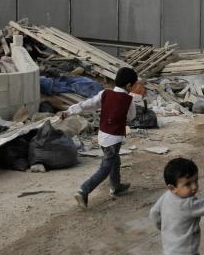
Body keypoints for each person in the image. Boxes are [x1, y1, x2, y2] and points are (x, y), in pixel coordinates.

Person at [60, 67, 143, 209]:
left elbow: (87, 105)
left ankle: (116, 186)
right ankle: (83, 190)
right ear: (129, 85)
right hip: (114, 139)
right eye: (134, 85)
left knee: (115, 161)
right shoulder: (128, 100)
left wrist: (69, 111)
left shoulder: (105, 93)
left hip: (102, 136)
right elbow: (131, 117)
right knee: (105, 168)